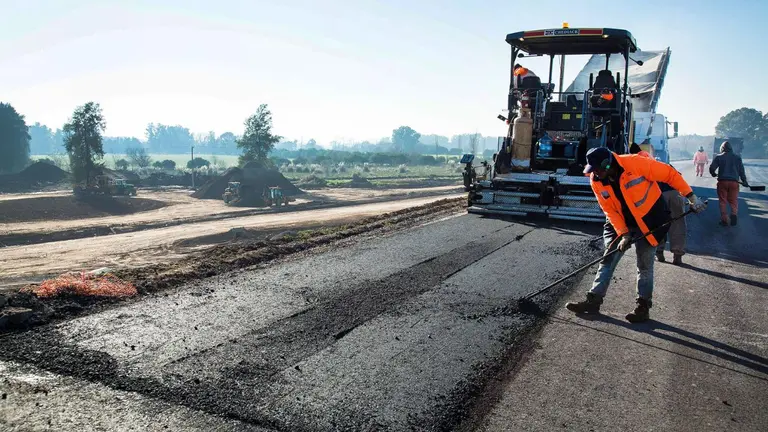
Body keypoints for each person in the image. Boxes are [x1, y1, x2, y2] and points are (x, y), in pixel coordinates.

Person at [565, 147, 705, 323]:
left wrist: (691, 197)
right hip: (621, 221)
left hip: (650, 218)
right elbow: (609, 210)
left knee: (644, 263)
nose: (596, 174)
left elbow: (669, 174)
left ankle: (642, 307)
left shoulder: (635, 163)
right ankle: (593, 300)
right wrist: (624, 234)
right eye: (592, 170)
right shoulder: (596, 180)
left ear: (607, 164)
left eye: (598, 170)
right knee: (609, 258)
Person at [630, 143, 687, 265]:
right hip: (677, 192)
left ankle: (659, 252)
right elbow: (678, 177)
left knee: (659, 223)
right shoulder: (662, 163)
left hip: (661, 195)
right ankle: (677, 255)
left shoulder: (638, 164)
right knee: (678, 223)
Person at [709, 141, 749, 226]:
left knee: (723, 201)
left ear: (722, 148)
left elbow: (712, 168)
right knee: (733, 200)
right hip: (734, 183)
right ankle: (734, 214)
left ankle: (724, 220)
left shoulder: (719, 157)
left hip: (722, 182)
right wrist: (744, 181)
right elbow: (741, 171)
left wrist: (713, 173)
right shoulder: (737, 158)